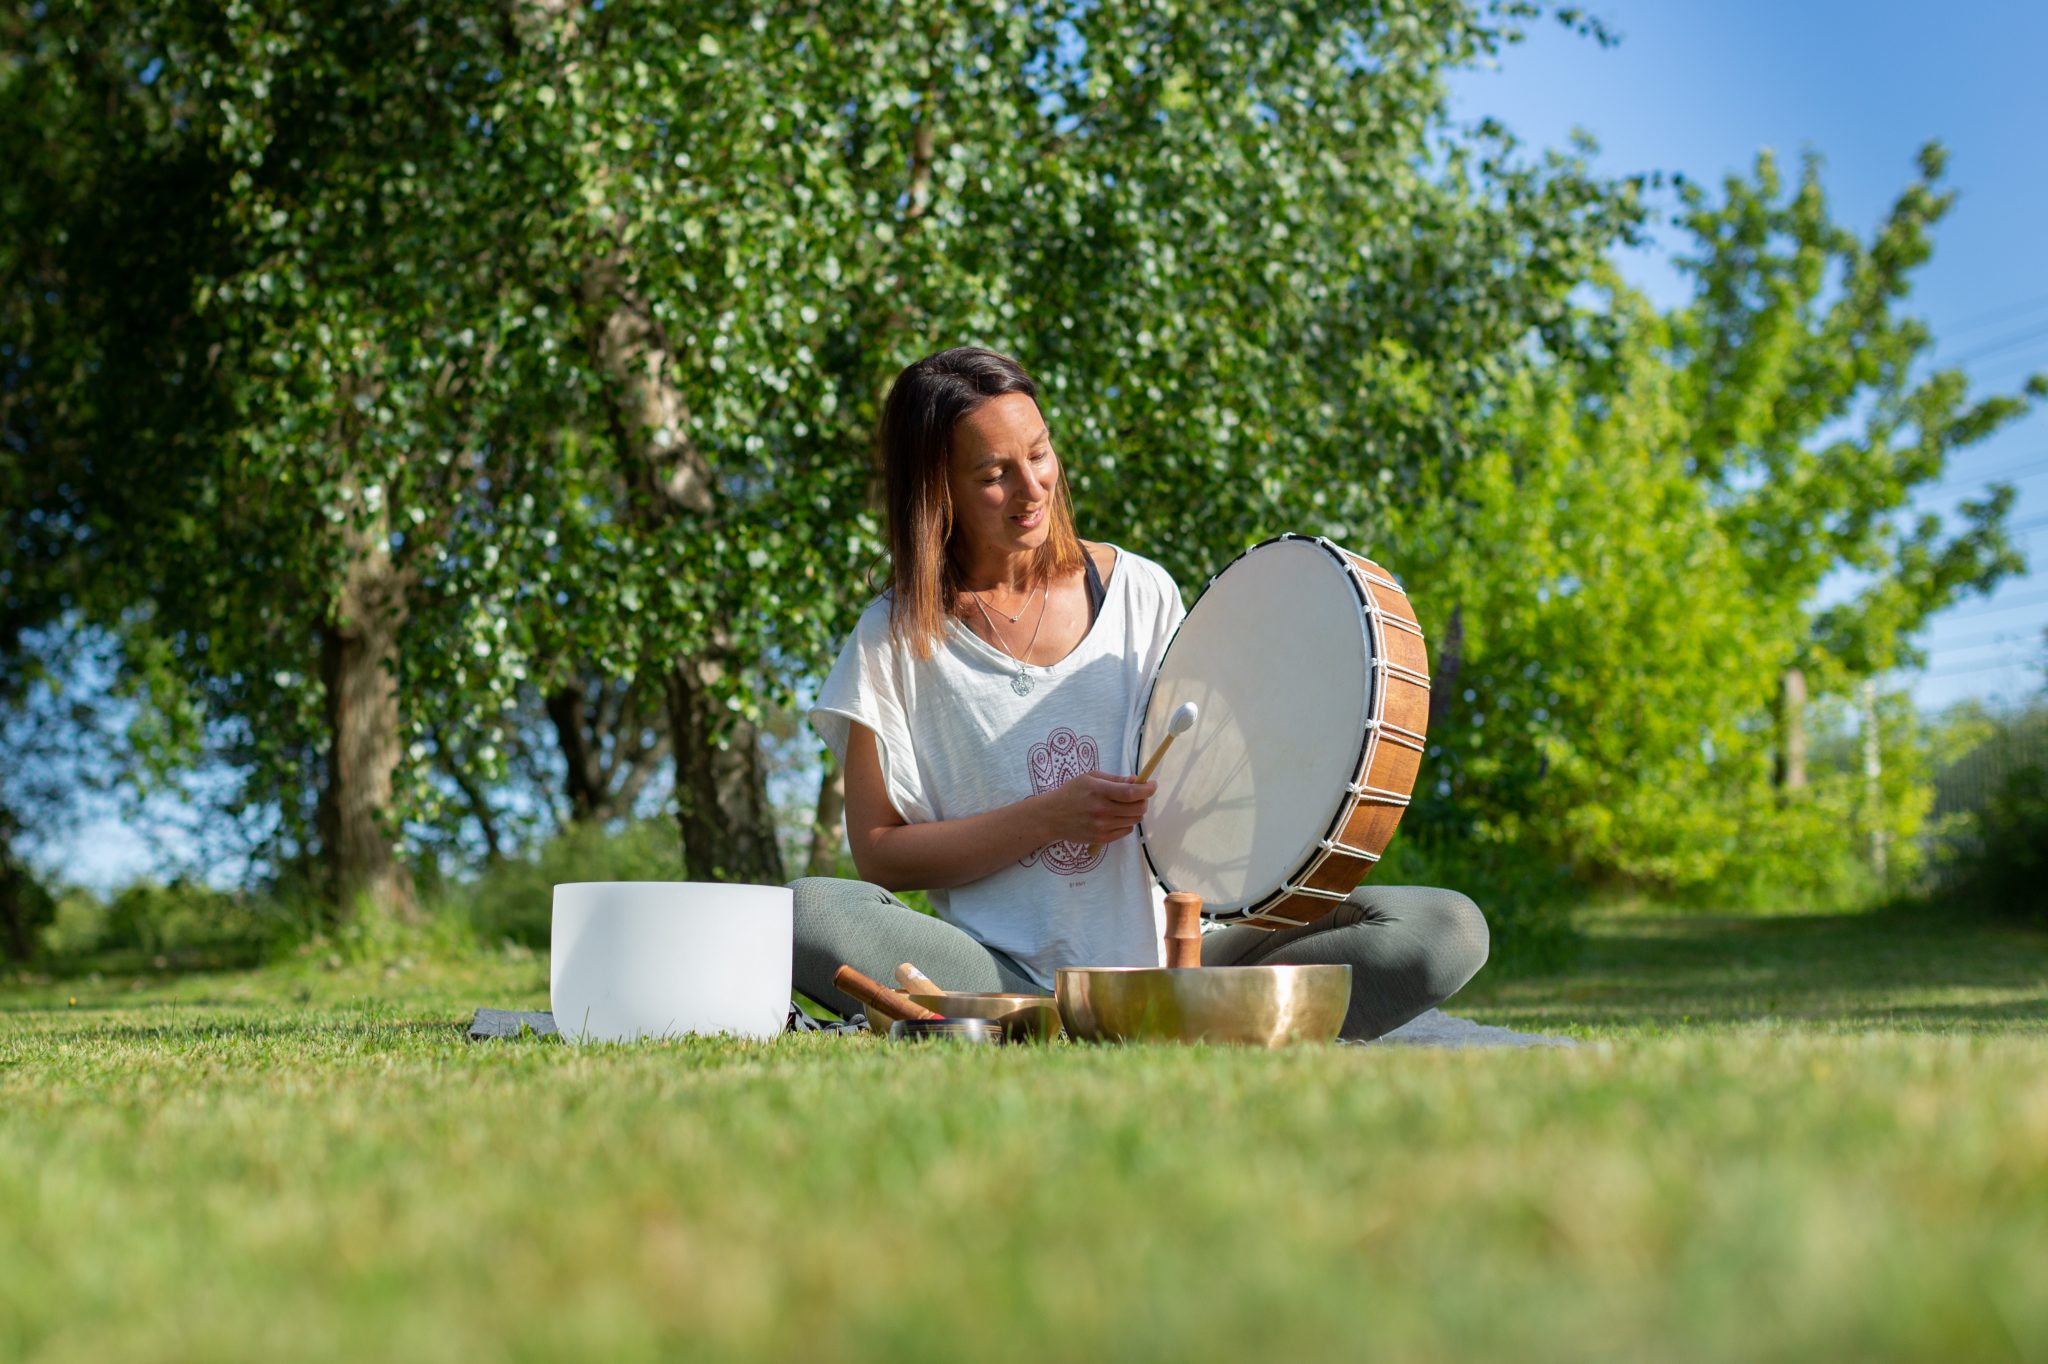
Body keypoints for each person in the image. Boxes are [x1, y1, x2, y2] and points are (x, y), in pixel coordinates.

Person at [792, 345, 1488, 1040]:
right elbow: (879, 852)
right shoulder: (894, 636)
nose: (1033, 488)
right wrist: (1047, 818)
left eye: (1039, 454)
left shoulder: (1140, 591)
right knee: (807, 913)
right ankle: (1174, 1029)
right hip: (999, 974)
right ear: (936, 488)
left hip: (1181, 959)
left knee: (1443, 929)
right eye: (994, 474)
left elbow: (1208, 794)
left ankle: (1162, 1015)